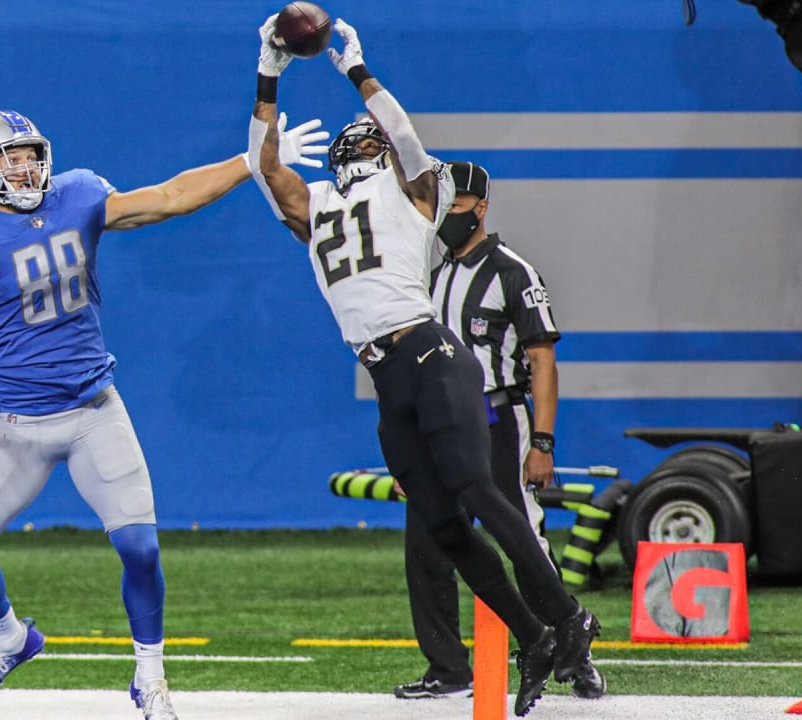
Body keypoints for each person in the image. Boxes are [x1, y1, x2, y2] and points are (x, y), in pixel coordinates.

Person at [0, 109, 325, 720]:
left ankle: (150, 675)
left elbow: (172, 197)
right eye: (10, 159)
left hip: (93, 409)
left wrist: (251, 159)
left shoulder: (76, 194)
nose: (26, 167)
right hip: (18, 423)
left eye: (29, 154)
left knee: (140, 548)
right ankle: (9, 639)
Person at [248, 16, 601, 717]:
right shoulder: (317, 205)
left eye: (366, 136)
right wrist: (268, 70)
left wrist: (355, 68)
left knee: (478, 492)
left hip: (431, 355)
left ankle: (567, 618)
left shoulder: (411, 193)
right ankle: (532, 634)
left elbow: (405, 138)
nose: (360, 141)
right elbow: (262, 165)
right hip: (386, 375)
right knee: (440, 525)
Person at [392, 161, 605, 701]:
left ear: (481, 207)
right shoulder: (430, 274)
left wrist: (542, 440)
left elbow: (542, 360)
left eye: (457, 206)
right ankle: (447, 668)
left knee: (522, 535)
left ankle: (573, 652)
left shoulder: (513, 270)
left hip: (496, 418)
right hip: (440, 425)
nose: (447, 217)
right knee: (428, 543)